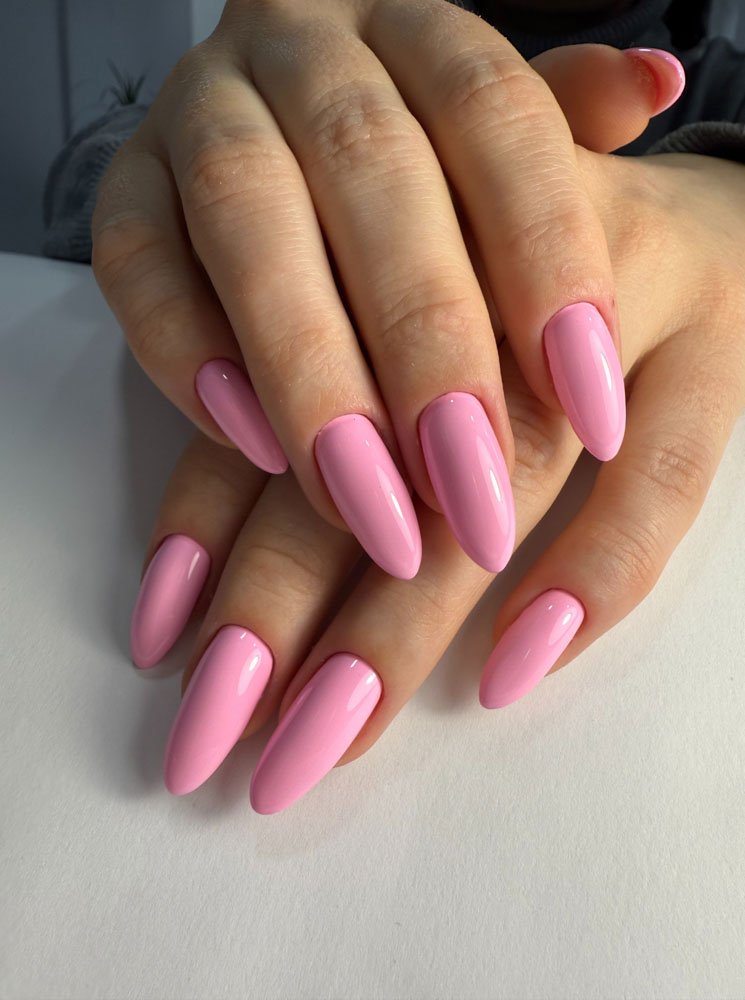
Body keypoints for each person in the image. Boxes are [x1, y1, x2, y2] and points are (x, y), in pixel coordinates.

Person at [88, 0, 745, 814]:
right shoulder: (273, 45)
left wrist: (722, 193)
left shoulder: (720, 88)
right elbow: (90, 174)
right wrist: (190, 202)